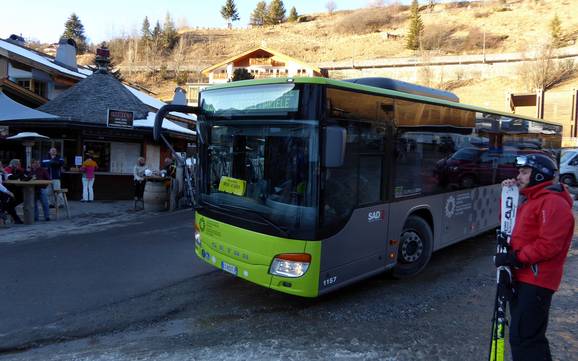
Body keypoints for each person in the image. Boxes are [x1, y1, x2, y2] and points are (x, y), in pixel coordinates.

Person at [495, 153, 574, 361]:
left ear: (539, 175)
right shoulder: (531, 200)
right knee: (523, 337)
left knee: (526, 338)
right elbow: (509, 227)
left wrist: (516, 258)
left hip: (537, 280)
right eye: (519, 172)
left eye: (524, 172)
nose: (518, 176)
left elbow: (549, 245)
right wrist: (508, 194)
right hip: (523, 277)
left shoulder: (553, 203)